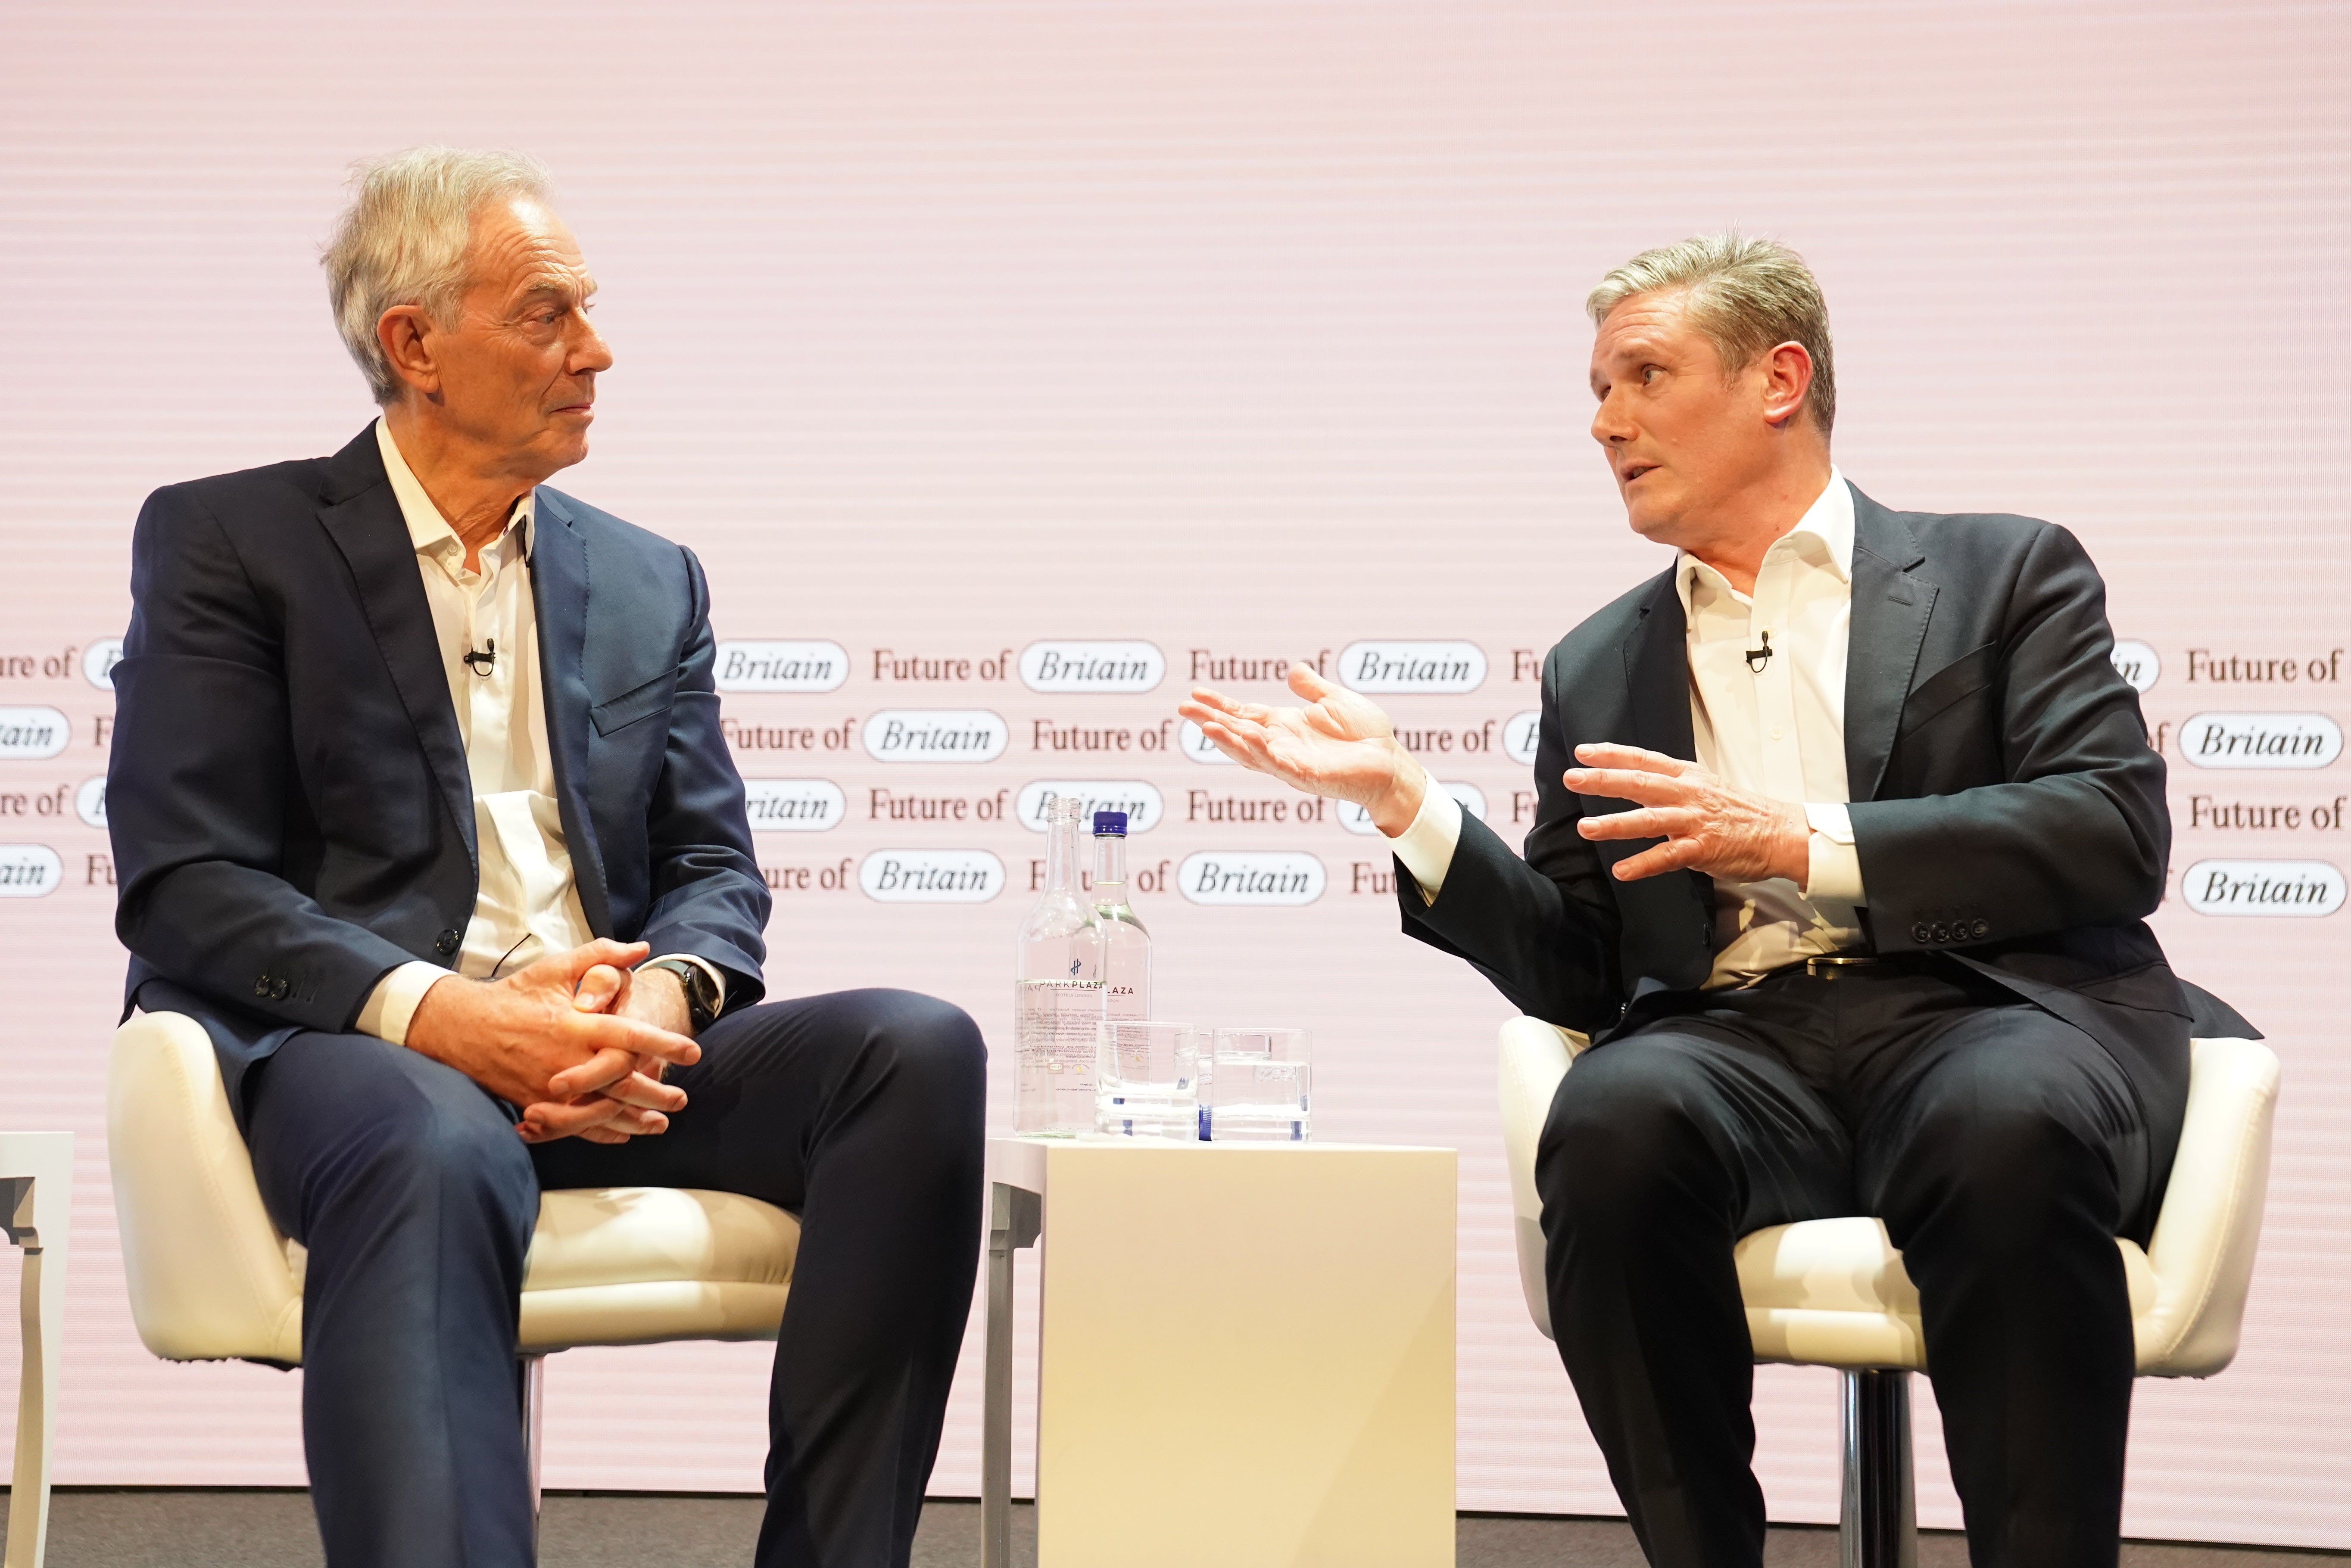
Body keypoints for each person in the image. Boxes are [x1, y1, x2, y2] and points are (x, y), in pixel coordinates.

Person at [1182, 234, 2252, 1568]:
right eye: (1596, 387)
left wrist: (1802, 840)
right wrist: (1409, 806)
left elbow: (2110, 830)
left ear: (1779, 380)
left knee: (2004, 1126)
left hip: (1993, 1012)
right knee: (1613, 1118)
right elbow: (1580, 964)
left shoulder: (2006, 572)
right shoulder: (1600, 659)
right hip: (1747, 1045)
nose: (1605, 421)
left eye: (1644, 374)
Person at [106, 146, 985, 1568]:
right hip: (357, 1053)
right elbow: (188, 880)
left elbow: (712, 863)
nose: (599, 350)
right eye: (548, 312)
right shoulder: (232, 540)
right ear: (416, 347)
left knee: (915, 1052)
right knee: (434, 1132)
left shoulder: (650, 575)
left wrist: (660, 1000)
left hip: (608, 1052)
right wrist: (457, 1022)